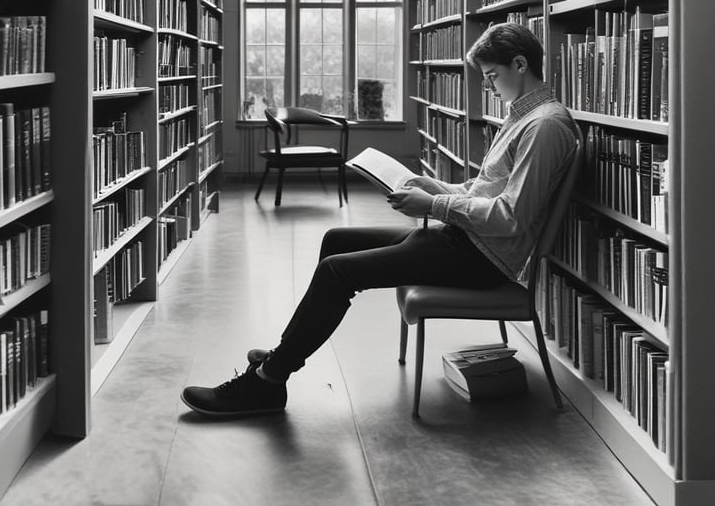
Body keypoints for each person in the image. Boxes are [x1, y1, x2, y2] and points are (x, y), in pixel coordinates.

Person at [181, 22, 579, 417]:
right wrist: (436, 187)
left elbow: (510, 216)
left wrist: (433, 206)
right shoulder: (522, 116)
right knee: (337, 240)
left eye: (492, 76)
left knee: (337, 272)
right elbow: (483, 189)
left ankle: (268, 381)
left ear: (520, 65)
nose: (488, 87)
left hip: (482, 258)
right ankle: (284, 353)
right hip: (463, 238)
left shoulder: (544, 126)